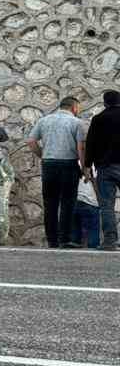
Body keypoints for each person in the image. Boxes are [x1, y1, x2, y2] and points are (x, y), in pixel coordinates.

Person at [28, 95, 87, 248]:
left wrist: (43, 154)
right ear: (74, 108)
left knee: (50, 204)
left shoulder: (44, 120)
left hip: (49, 165)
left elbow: (31, 141)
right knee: (68, 203)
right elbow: (81, 148)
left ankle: (52, 240)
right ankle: (65, 239)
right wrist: (84, 168)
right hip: (68, 165)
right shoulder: (77, 123)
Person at [84, 88, 120, 251]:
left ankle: (110, 241)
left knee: (106, 206)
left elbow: (90, 144)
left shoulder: (98, 119)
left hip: (105, 167)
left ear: (105, 103)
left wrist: (86, 166)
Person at [76, 176, 103, 248]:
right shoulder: (92, 166)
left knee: (74, 239)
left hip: (75, 201)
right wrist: (100, 199)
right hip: (91, 202)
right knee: (93, 237)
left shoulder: (72, 166)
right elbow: (95, 181)